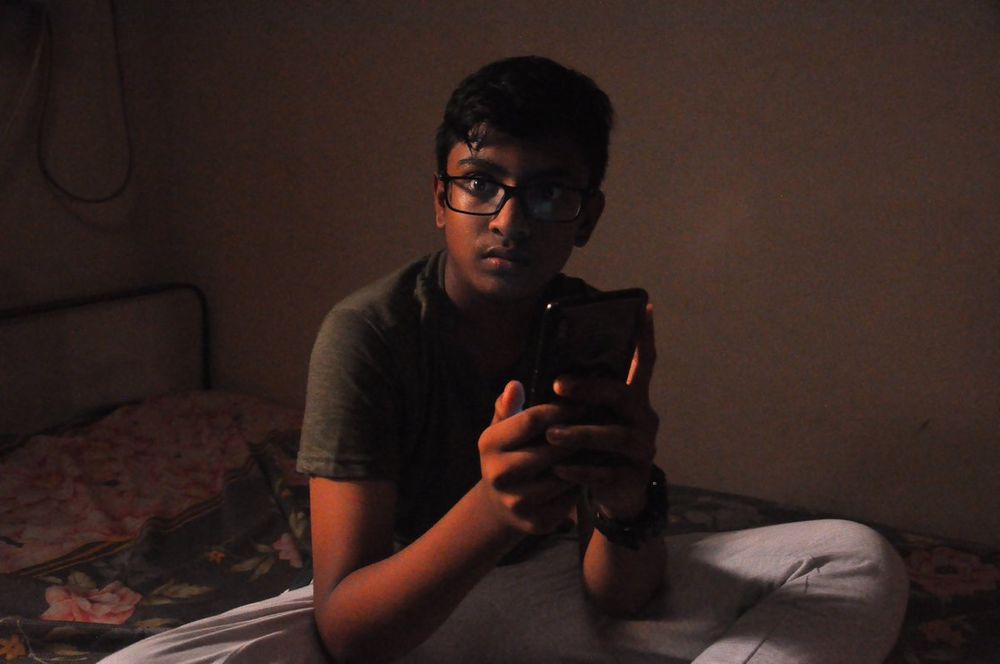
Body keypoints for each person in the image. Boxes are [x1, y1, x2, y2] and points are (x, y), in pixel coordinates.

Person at [101, 55, 908, 664]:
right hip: (406, 598)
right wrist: (493, 511)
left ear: (587, 217)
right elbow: (347, 630)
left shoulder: (590, 328)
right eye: (481, 184)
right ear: (440, 199)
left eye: (550, 193)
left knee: (851, 556)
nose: (510, 221)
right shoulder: (370, 333)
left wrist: (627, 497)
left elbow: (619, 597)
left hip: (548, 589)